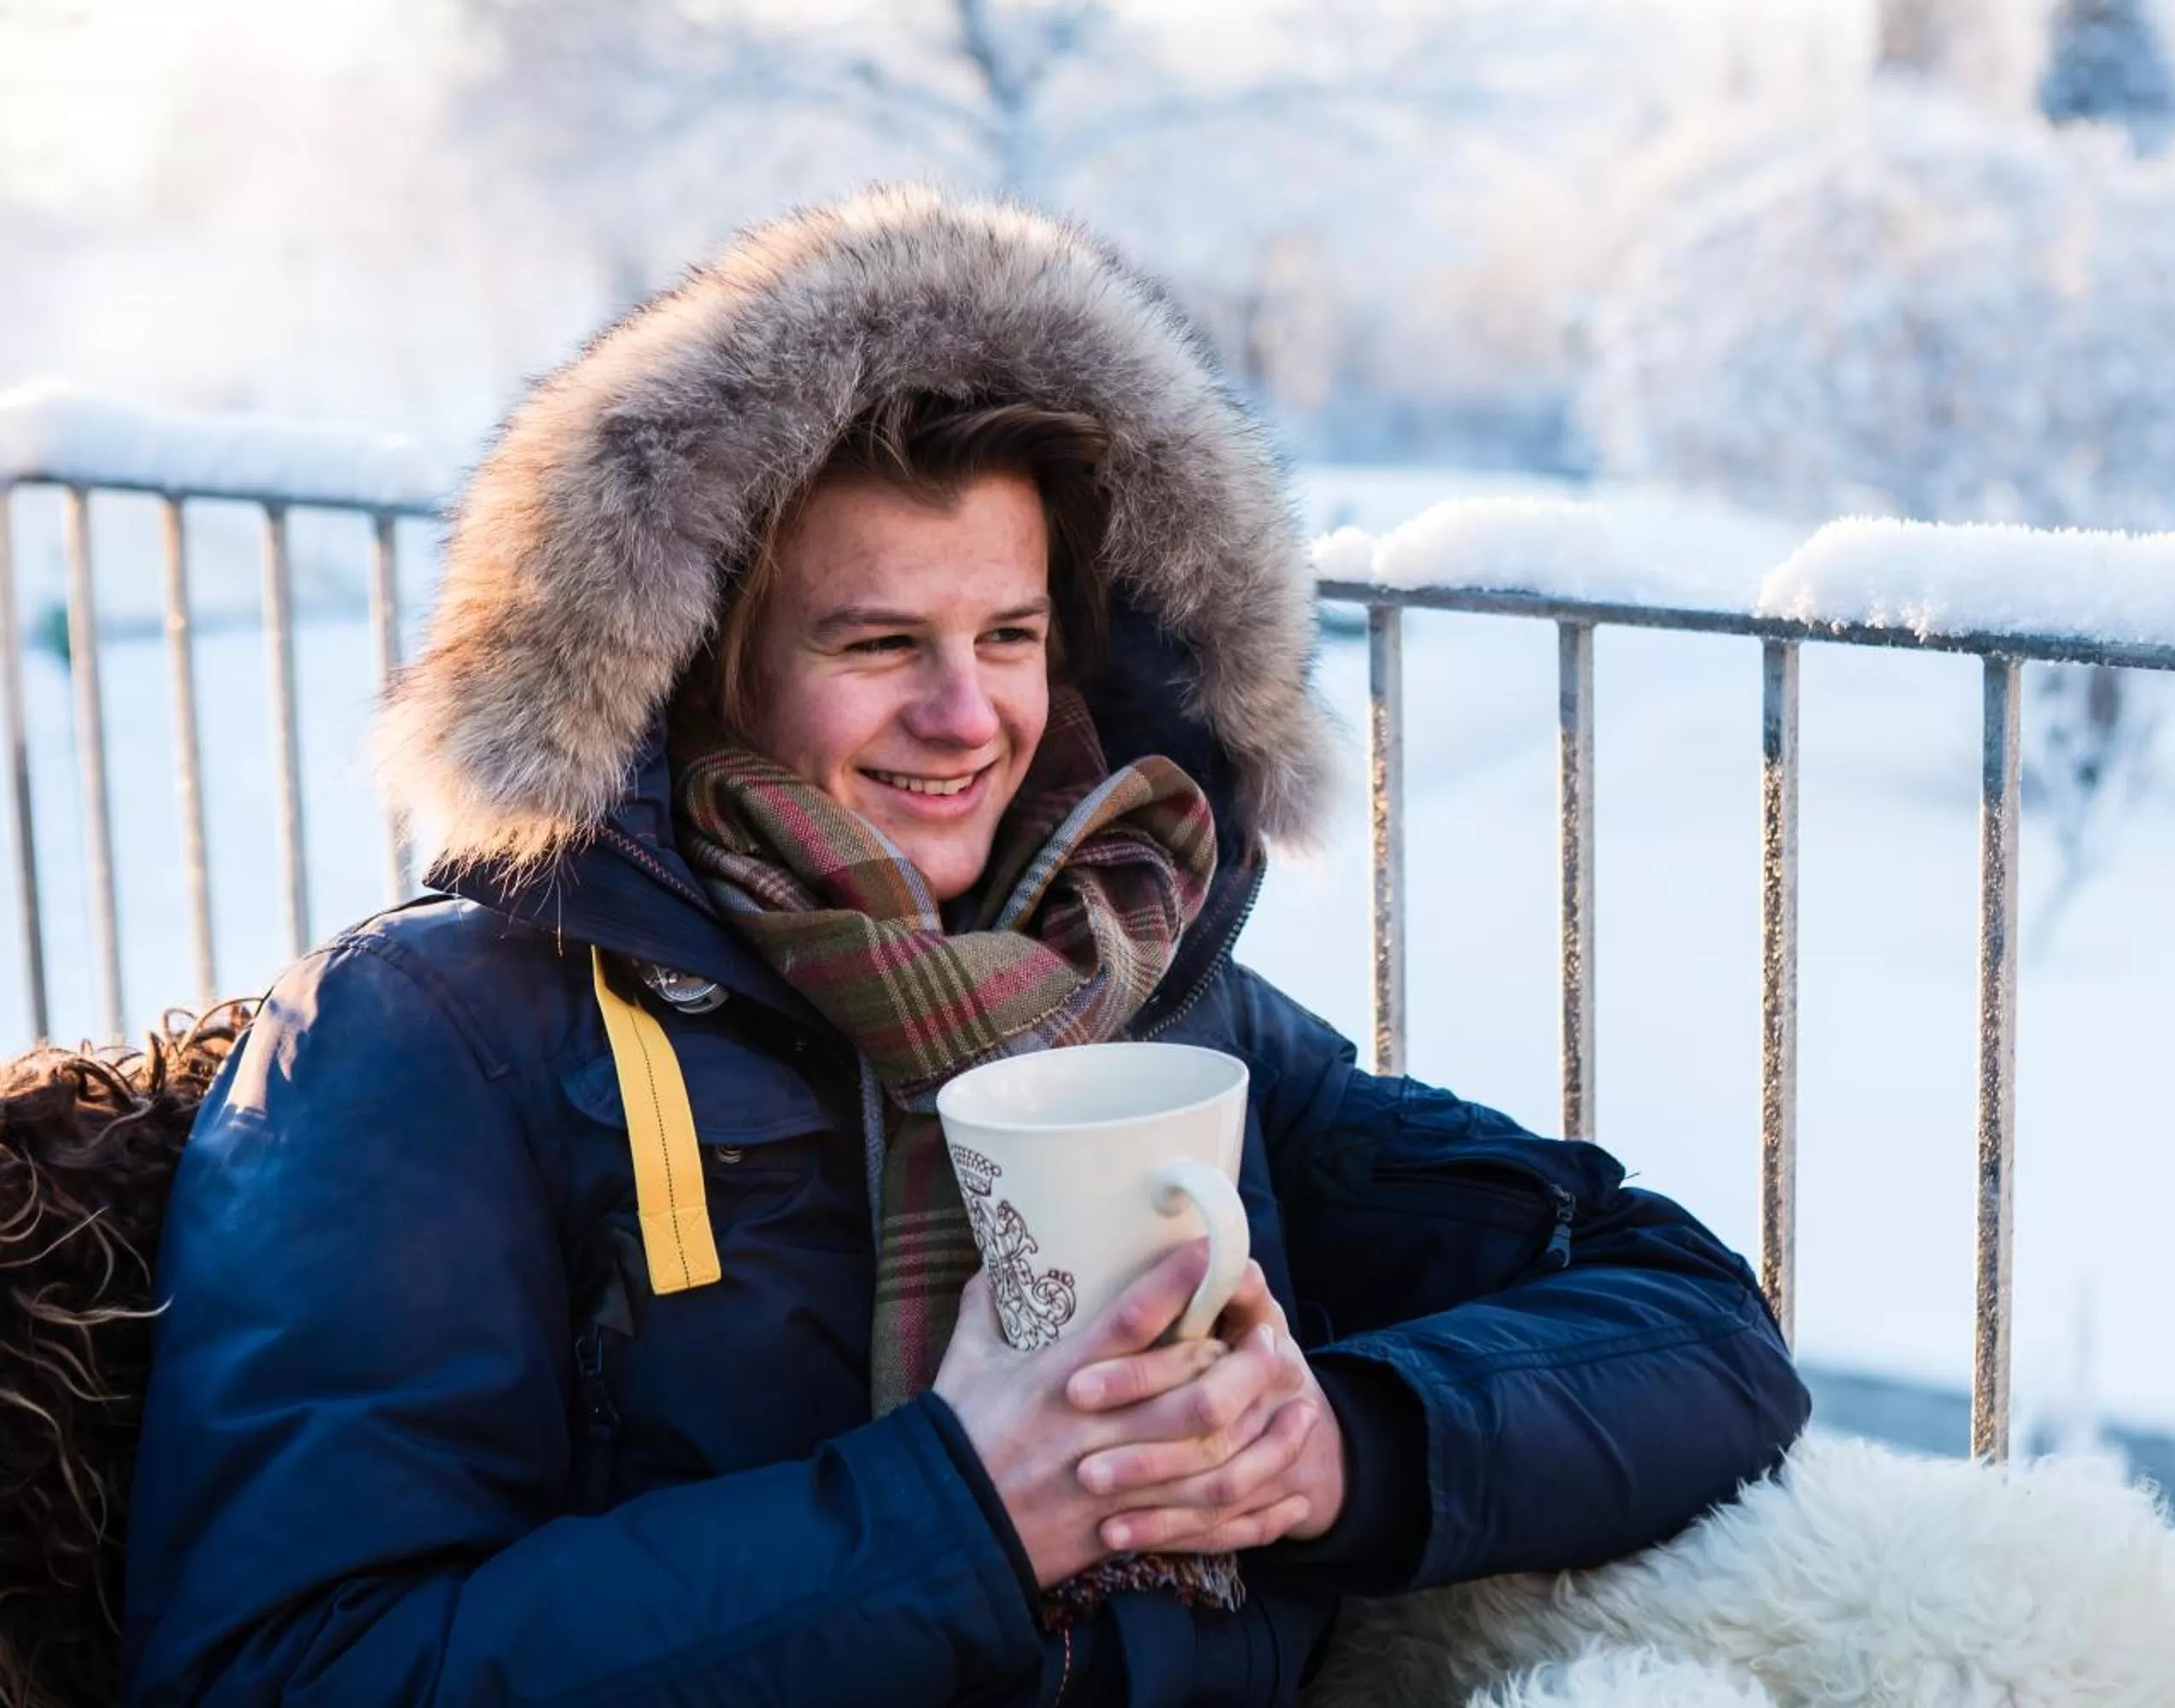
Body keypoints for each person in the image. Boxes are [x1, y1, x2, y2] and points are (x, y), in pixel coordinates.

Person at [122, 187, 1809, 1707]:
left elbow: (1692, 1323)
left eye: (1008, 635)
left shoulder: (1139, 994)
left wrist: (1336, 1448)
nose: (966, 712)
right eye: (879, 642)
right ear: (698, 665)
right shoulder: (433, 1033)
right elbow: (282, 1664)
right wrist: (962, 1510)